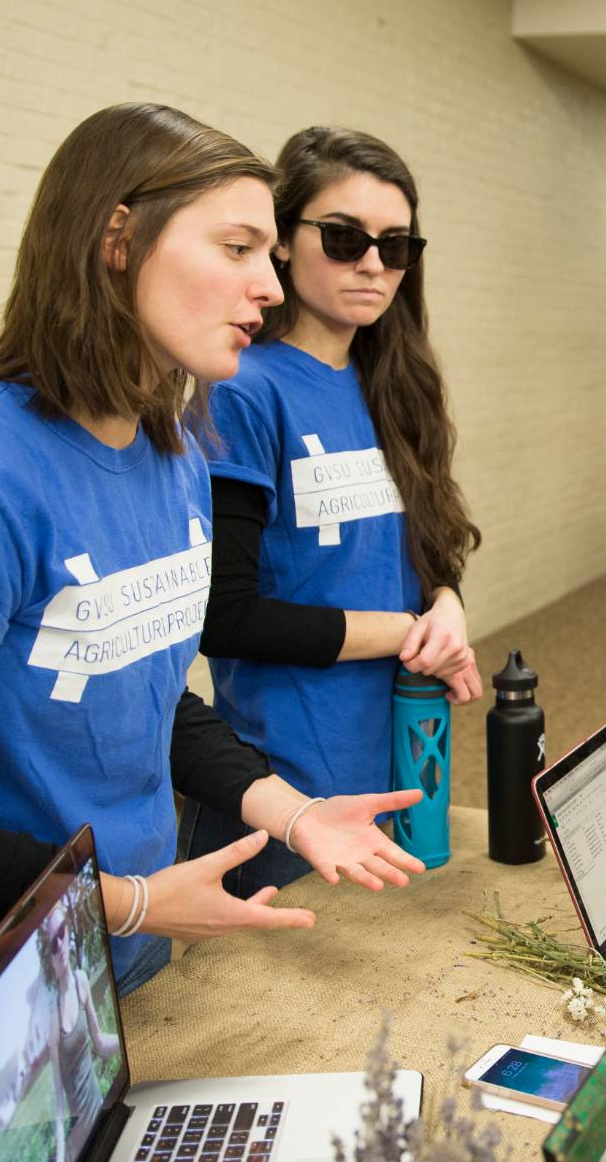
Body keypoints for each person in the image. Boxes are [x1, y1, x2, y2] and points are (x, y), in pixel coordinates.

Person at [0, 104, 425, 1162]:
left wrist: (284, 805)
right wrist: (133, 898)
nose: (270, 289)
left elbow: (145, 698)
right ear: (115, 240)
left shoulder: (171, 446)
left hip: (122, 956)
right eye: (236, 251)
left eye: (268, 258)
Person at [188, 127, 482, 892]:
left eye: (396, 246)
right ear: (283, 241)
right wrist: (403, 631)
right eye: (345, 238)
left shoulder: (392, 381)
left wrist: (446, 602)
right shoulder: (245, 388)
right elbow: (226, 614)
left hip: (398, 747)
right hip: (293, 785)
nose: (374, 265)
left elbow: (420, 548)